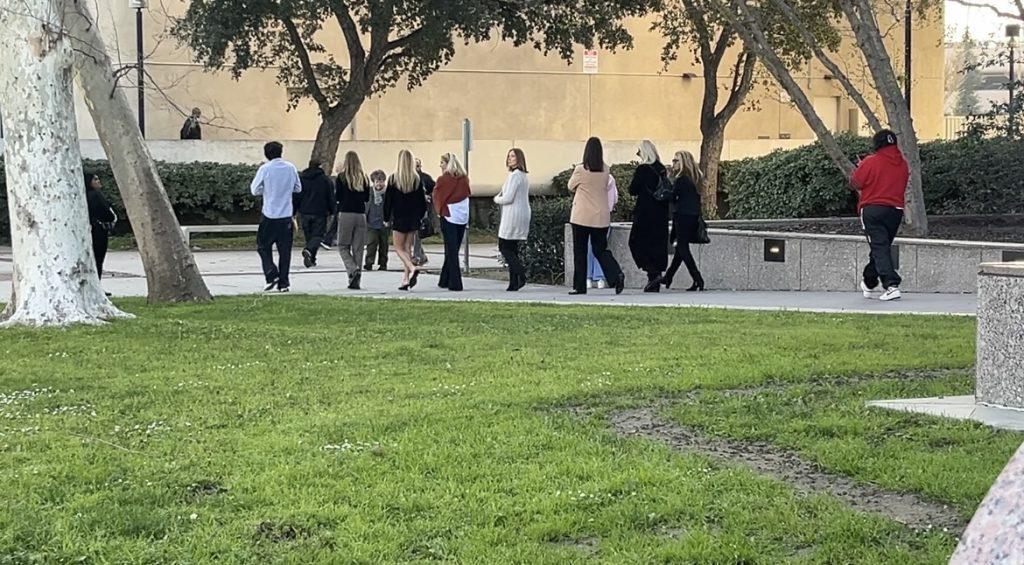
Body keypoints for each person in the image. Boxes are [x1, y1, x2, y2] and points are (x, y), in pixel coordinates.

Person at [852, 129, 909, 302]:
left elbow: (856, 182)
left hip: (873, 209)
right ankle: (869, 282)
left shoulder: (871, 161)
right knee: (881, 247)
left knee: (879, 247)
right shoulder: (903, 164)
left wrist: (860, 167)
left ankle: (891, 285)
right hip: (895, 210)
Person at [567, 137, 624, 295]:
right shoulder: (606, 170)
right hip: (601, 217)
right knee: (600, 250)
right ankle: (615, 274)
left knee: (580, 252)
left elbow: (570, 186)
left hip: (581, 217)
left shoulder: (580, 169)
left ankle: (580, 286)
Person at [250, 141, 301, 292]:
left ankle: (271, 273)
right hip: (286, 215)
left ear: (266, 154)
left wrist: (266, 190)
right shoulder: (291, 168)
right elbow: (298, 188)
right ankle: (284, 283)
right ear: (281, 152)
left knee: (263, 246)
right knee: (285, 251)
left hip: (269, 214)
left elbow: (254, 190)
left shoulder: (265, 169)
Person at [628, 139, 671, 292]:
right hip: (661, 212)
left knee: (636, 242)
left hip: (645, 212)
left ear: (644, 153)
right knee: (657, 244)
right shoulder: (661, 169)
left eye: (639, 151)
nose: (638, 154)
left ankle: (652, 273)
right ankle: (655, 278)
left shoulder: (643, 170)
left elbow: (632, 190)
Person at [659, 151, 705, 292]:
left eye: (676, 160)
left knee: (683, 248)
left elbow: (674, 197)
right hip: (693, 216)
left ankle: (698, 279)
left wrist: (664, 193)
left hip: (683, 216)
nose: (673, 163)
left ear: (683, 162)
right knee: (680, 249)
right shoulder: (696, 177)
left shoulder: (682, 179)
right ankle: (669, 276)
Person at [384, 150, 428, 290]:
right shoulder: (416, 179)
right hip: (413, 218)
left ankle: (411, 267)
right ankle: (405, 279)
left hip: (399, 217)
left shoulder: (393, 179)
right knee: (407, 249)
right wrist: (420, 216)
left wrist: (386, 218)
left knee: (398, 248)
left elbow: (388, 202)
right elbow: (422, 202)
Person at [433, 153, 472, 292]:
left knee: (451, 250)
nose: (440, 165)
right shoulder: (464, 179)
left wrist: (439, 211)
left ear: (447, 164)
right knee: (453, 249)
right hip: (462, 216)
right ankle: (444, 279)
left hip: (449, 215)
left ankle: (455, 282)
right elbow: (467, 193)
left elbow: (437, 196)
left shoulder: (443, 180)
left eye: (442, 162)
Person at [494, 148, 531, 292]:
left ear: (519, 159)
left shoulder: (515, 176)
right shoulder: (521, 176)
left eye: (513, 156)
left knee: (504, 246)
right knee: (512, 248)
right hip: (520, 212)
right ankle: (513, 283)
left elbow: (508, 197)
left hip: (513, 214)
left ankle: (520, 273)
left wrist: (497, 199)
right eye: (509, 156)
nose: (510, 159)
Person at [335, 151, 371, 290]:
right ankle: (356, 279)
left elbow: (338, 196)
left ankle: (352, 269)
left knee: (343, 245)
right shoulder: (364, 178)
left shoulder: (342, 178)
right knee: (358, 249)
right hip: (360, 214)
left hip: (346, 213)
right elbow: (367, 198)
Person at [297, 159, 336, 268]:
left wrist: (294, 210)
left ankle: (311, 258)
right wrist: (333, 210)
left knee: (309, 237)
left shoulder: (302, 179)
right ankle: (309, 251)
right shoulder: (325, 180)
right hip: (320, 212)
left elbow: (297, 195)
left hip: (304, 212)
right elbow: (330, 197)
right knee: (318, 235)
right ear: (320, 166)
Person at [586, 174, 619, 289]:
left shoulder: (587, 177)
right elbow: (615, 198)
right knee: (600, 248)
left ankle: (588, 277)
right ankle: (600, 278)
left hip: (589, 216)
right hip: (605, 216)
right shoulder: (609, 178)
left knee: (588, 247)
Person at [85, 173, 116, 296]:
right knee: (98, 259)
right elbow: (106, 213)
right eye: (95, 179)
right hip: (98, 230)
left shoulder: (84, 195)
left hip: (89, 230)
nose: (98, 181)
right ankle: (97, 287)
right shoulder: (95, 195)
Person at [364, 169, 391, 272]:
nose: (379, 184)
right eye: (377, 181)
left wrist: (389, 219)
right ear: (373, 182)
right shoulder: (370, 192)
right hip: (371, 222)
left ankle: (383, 264)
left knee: (384, 245)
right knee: (371, 243)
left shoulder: (388, 193)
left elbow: (390, 207)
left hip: (384, 223)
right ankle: (369, 263)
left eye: (381, 181)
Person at [412, 157, 437, 266]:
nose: (416, 167)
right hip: (410, 210)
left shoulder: (425, 178)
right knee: (412, 234)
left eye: (418, 165)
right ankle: (421, 256)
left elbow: (435, 189)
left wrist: (428, 196)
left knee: (417, 234)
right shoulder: (409, 178)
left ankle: (416, 256)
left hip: (422, 209)